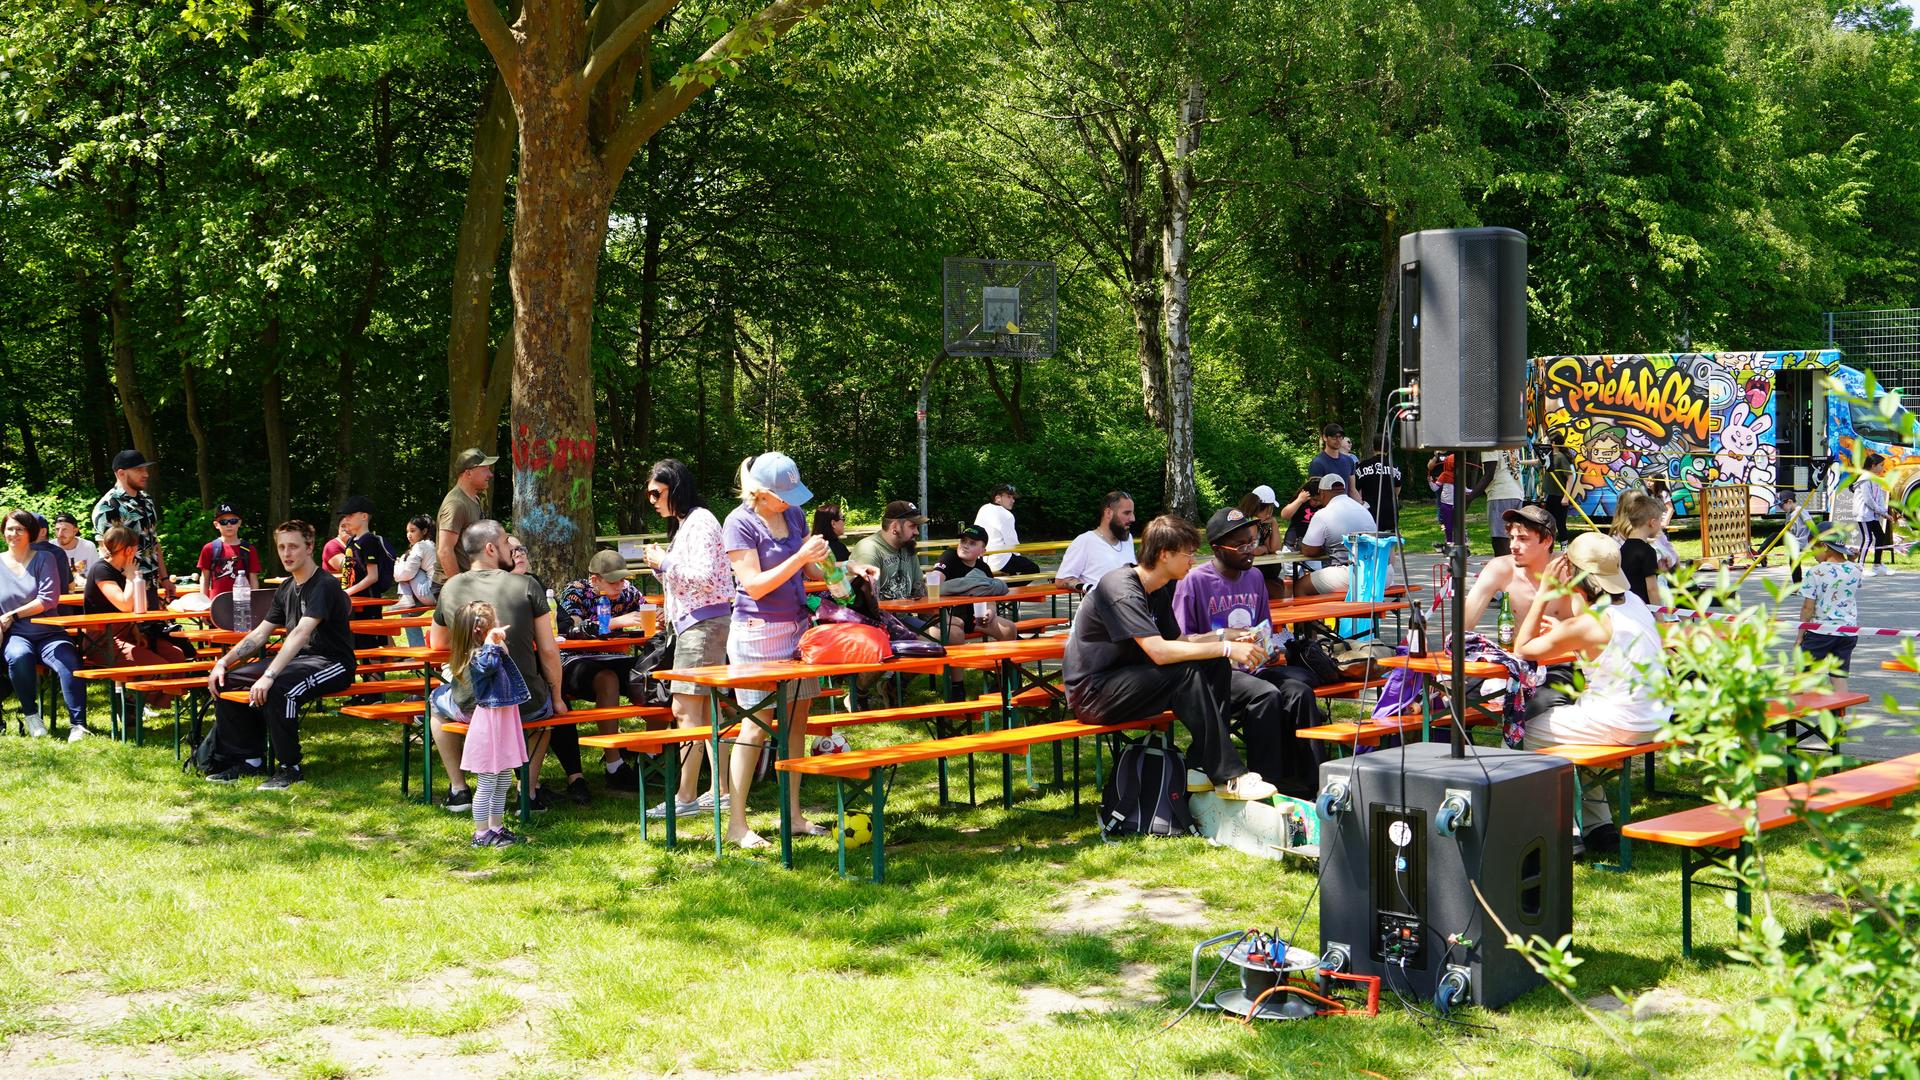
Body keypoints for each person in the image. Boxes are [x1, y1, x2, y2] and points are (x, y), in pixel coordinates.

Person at [1063, 514, 1278, 801]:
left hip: (1130, 682)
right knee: (1187, 672)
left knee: (1212, 663)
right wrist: (1226, 650)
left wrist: (1223, 636)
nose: (1193, 560)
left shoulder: (1158, 588)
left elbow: (1176, 641)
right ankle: (1229, 776)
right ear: (1165, 555)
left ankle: (1201, 763)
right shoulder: (1121, 588)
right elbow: (1160, 652)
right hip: (1094, 694)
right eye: (1188, 553)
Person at [720, 452, 876, 848]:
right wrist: (800, 556)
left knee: (796, 726)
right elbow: (754, 585)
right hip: (755, 634)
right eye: (785, 496)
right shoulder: (739, 522)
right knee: (755, 728)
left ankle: (793, 816)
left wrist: (846, 568)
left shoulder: (791, 516)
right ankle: (737, 825)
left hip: (797, 630)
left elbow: (810, 569)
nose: (793, 503)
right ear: (762, 493)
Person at [1512, 532, 1670, 854]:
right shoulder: (1635, 603)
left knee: (1518, 732)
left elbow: (1522, 650)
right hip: (1655, 716)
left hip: (1623, 722)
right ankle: (1600, 827)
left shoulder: (1589, 624)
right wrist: (1563, 633)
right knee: (1578, 737)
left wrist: (1542, 594)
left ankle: (1562, 831)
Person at [1171, 508, 1325, 794]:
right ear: (1217, 549)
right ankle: (1267, 783)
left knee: (1300, 693)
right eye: (1240, 545)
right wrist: (1224, 642)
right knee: (1266, 695)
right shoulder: (1194, 581)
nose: (1249, 550)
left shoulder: (1255, 578)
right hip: (1215, 671)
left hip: (1255, 667)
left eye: (1252, 542)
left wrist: (1267, 647)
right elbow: (1181, 641)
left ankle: (1312, 783)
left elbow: (1263, 627)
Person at [201, 520, 359, 788]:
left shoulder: (324, 585)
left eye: (294, 547)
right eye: (282, 547)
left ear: (309, 548)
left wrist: (269, 674)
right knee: (230, 679)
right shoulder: (286, 588)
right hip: (300, 661)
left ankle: (290, 767)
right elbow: (260, 634)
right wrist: (223, 663)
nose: (287, 553)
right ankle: (249, 759)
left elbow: (301, 633)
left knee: (279, 689)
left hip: (333, 663)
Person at [429, 520, 568, 813]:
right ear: (491, 548)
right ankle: (528, 792)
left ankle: (459, 790)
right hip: (525, 702)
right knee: (544, 714)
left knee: (436, 704)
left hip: (471, 703)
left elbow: (437, 643)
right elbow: (547, 649)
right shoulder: (527, 584)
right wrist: (556, 697)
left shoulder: (451, 586)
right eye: (507, 544)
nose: (512, 550)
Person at [642, 458, 734, 820]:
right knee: (703, 709)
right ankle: (720, 791)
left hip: (703, 627)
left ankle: (686, 796)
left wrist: (664, 563)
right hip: (697, 624)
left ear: (674, 487)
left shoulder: (700, 522)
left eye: (656, 492)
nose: (651, 500)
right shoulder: (688, 525)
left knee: (686, 710)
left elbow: (708, 578)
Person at [553, 549, 653, 802]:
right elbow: (571, 628)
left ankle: (653, 753)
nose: (620, 585)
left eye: (623, 579)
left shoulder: (629, 592)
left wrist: (657, 618)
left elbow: (645, 613)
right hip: (575, 660)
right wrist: (618, 622)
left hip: (616, 657)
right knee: (606, 678)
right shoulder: (576, 592)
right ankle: (614, 764)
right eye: (613, 580)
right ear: (594, 579)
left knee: (653, 674)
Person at [442, 601, 530, 848]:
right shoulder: (478, 656)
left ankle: (496, 827)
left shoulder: (493, 649)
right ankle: (481, 834)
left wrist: (496, 642)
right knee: (487, 781)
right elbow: (488, 667)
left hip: (504, 719)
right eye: (494, 622)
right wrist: (491, 644)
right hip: (489, 724)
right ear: (481, 632)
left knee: (502, 780)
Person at [1, 509, 90, 739]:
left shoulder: (45, 558)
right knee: (18, 656)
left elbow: (48, 599)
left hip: (50, 632)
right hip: (16, 635)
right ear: (3, 533)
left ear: (30, 533)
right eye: (10, 528)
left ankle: (78, 725)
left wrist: (12, 614)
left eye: (20, 529)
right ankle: (32, 716)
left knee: (69, 660)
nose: (14, 533)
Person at [80, 525, 190, 708]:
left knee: (175, 655)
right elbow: (124, 605)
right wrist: (131, 577)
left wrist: (136, 632)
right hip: (101, 640)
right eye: (136, 548)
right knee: (158, 666)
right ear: (129, 549)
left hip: (126, 633)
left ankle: (167, 704)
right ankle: (132, 704)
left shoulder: (122, 570)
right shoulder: (101, 570)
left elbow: (132, 610)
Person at [850, 500, 962, 641]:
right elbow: (871, 603)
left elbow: (919, 589)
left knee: (955, 632)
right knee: (934, 641)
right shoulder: (869, 550)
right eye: (912, 526)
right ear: (895, 526)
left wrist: (939, 619)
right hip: (875, 626)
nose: (916, 532)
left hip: (903, 619)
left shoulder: (907, 548)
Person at [1460, 505, 1572, 630]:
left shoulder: (1570, 569)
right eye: (1512, 538)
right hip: (1517, 649)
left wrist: (1565, 630)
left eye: (1523, 539)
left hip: (1564, 648)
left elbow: (1595, 626)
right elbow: (1464, 626)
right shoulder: (1499, 568)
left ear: (1547, 541)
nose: (1513, 546)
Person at [91, 449, 173, 602]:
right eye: (138, 470)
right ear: (121, 473)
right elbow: (107, 551)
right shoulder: (108, 506)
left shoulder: (147, 500)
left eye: (145, 469)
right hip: (126, 586)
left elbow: (154, 542)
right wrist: (124, 587)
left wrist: (165, 578)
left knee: (156, 625)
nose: (146, 474)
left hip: (152, 584)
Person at [1796, 532, 1862, 694]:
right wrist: (1851, 560)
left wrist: (1800, 635)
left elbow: (1808, 608)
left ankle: (1789, 712)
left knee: (1801, 673)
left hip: (1820, 631)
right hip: (1847, 632)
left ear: (1825, 546)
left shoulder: (1816, 572)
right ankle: (1839, 715)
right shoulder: (1856, 569)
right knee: (1838, 676)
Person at [930, 525, 1017, 642]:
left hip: (975, 620)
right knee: (956, 634)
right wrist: (944, 617)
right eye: (963, 541)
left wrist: (990, 612)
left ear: (982, 551)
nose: (965, 546)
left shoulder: (984, 568)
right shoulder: (950, 556)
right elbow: (935, 581)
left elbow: (990, 598)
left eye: (972, 543)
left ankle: (1003, 660)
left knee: (1009, 629)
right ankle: (959, 661)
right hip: (947, 618)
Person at [1296, 476, 1377, 597]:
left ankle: (1318, 615)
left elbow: (1309, 551)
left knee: (1299, 586)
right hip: (1379, 573)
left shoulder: (1323, 514)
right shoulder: (1362, 509)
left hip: (1354, 573)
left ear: (1322, 493)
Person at [435, 449, 497, 590]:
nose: (490, 474)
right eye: (485, 469)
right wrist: (459, 589)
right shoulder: (456, 504)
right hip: (453, 585)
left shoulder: (474, 499)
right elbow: (444, 550)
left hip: (471, 581)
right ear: (468, 473)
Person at [1055, 491, 1137, 590]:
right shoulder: (1085, 541)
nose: (1133, 518)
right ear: (1108, 513)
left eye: (1132, 513)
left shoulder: (1128, 539)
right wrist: (1088, 588)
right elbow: (1062, 580)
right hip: (1102, 605)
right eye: (1127, 513)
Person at [1467, 448, 1527, 557]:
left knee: (1500, 541)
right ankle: (1512, 571)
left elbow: (1489, 474)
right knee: (1512, 539)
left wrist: (1469, 498)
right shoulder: (1508, 441)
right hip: (1516, 492)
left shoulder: (1490, 445)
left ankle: (1505, 572)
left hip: (1500, 493)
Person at [196, 502, 261, 601]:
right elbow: (204, 578)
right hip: (216, 604)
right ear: (216, 525)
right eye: (223, 522)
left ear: (239, 523)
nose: (229, 524)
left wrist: (255, 603)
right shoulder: (209, 548)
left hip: (243, 603)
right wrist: (203, 604)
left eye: (233, 521)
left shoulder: (249, 549)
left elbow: (253, 579)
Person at [1610, 491, 1664, 606]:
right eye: (1660, 520)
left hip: (1628, 605)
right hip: (1645, 608)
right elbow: (1652, 589)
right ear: (1652, 523)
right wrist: (1660, 618)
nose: (1661, 525)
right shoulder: (1648, 551)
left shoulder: (1623, 547)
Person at [974, 483, 1041, 576]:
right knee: (1033, 569)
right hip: (999, 560)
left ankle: (1005, 586)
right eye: (1009, 497)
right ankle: (1007, 588)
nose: (1013, 501)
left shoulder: (984, 508)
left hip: (981, 558)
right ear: (997, 498)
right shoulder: (1006, 515)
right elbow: (1012, 543)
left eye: (1013, 498)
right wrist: (1019, 556)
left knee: (1014, 569)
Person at [1352, 440, 1404, 532]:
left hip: (1370, 512)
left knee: (1371, 541)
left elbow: (1355, 489)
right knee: (1388, 541)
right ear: (1388, 449)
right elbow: (1397, 489)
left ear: (1373, 447)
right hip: (1390, 512)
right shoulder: (1394, 467)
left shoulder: (1363, 466)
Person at [1855, 453, 1893, 576]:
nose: (1883, 468)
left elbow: (1880, 497)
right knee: (1867, 539)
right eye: (1881, 465)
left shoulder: (1875, 478)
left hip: (1873, 515)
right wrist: (1881, 512)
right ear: (1873, 465)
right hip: (1864, 514)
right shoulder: (1864, 479)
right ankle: (1859, 568)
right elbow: (1868, 500)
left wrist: (1884, 513)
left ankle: (1877, 565)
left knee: (1880, 536)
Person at [392, 514, 439, 611]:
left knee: (409, 569)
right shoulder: (432, 544)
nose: (409, 535)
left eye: (413, 531)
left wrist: (398, 565)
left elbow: (406, 574)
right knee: (407, 613)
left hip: (429, 593)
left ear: (424, 531)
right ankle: (406, 599)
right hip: (437, 594)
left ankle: (406, 598)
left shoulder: (421, 546)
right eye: (407, 532)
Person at [51, 513, 99, 582]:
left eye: (64, 530)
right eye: (57, 529)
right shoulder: (50, 547)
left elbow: (95, 574)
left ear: (75, 531)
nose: (60, 534)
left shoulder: (88, 546)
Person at [1428, 450, 1460, 553]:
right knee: (1444, 515)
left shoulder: (1452, 452)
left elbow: (1463, 488)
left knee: (1457, 521)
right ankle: (1448, 538)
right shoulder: (1436, 453)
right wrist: (1436, 456)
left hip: (1455, 499)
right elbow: (1429, 467)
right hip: (1441, 484)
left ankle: (1460, 540)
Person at [1779, 493, 1814, 584]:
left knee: (1775, 536)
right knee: (1793, 562)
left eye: (1782, 506)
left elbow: (1810, 523)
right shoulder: (1789, 513)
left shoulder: (1800, 511)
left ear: (1789, 502)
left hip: (1802, 540)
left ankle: (1760, 551)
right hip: (1794, 541)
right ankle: (1797, 585)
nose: (1782, 509)